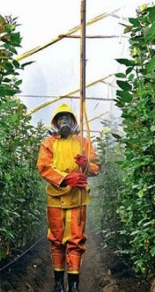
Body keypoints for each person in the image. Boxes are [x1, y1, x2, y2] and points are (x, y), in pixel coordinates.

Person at [37, 103, 99, 292]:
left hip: (77, 200)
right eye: (61, 118)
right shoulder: (48, 143)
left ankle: (73, 285)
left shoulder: (83, 143)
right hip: (55, 199)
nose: (64, 121)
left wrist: (86, 164)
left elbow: (95, 168)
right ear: (55, 121)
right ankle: (58, 284)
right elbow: (44, 168)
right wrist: (66, 178)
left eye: (68, 117)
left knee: (76, 240)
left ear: (73, 120)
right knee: (56, 240)